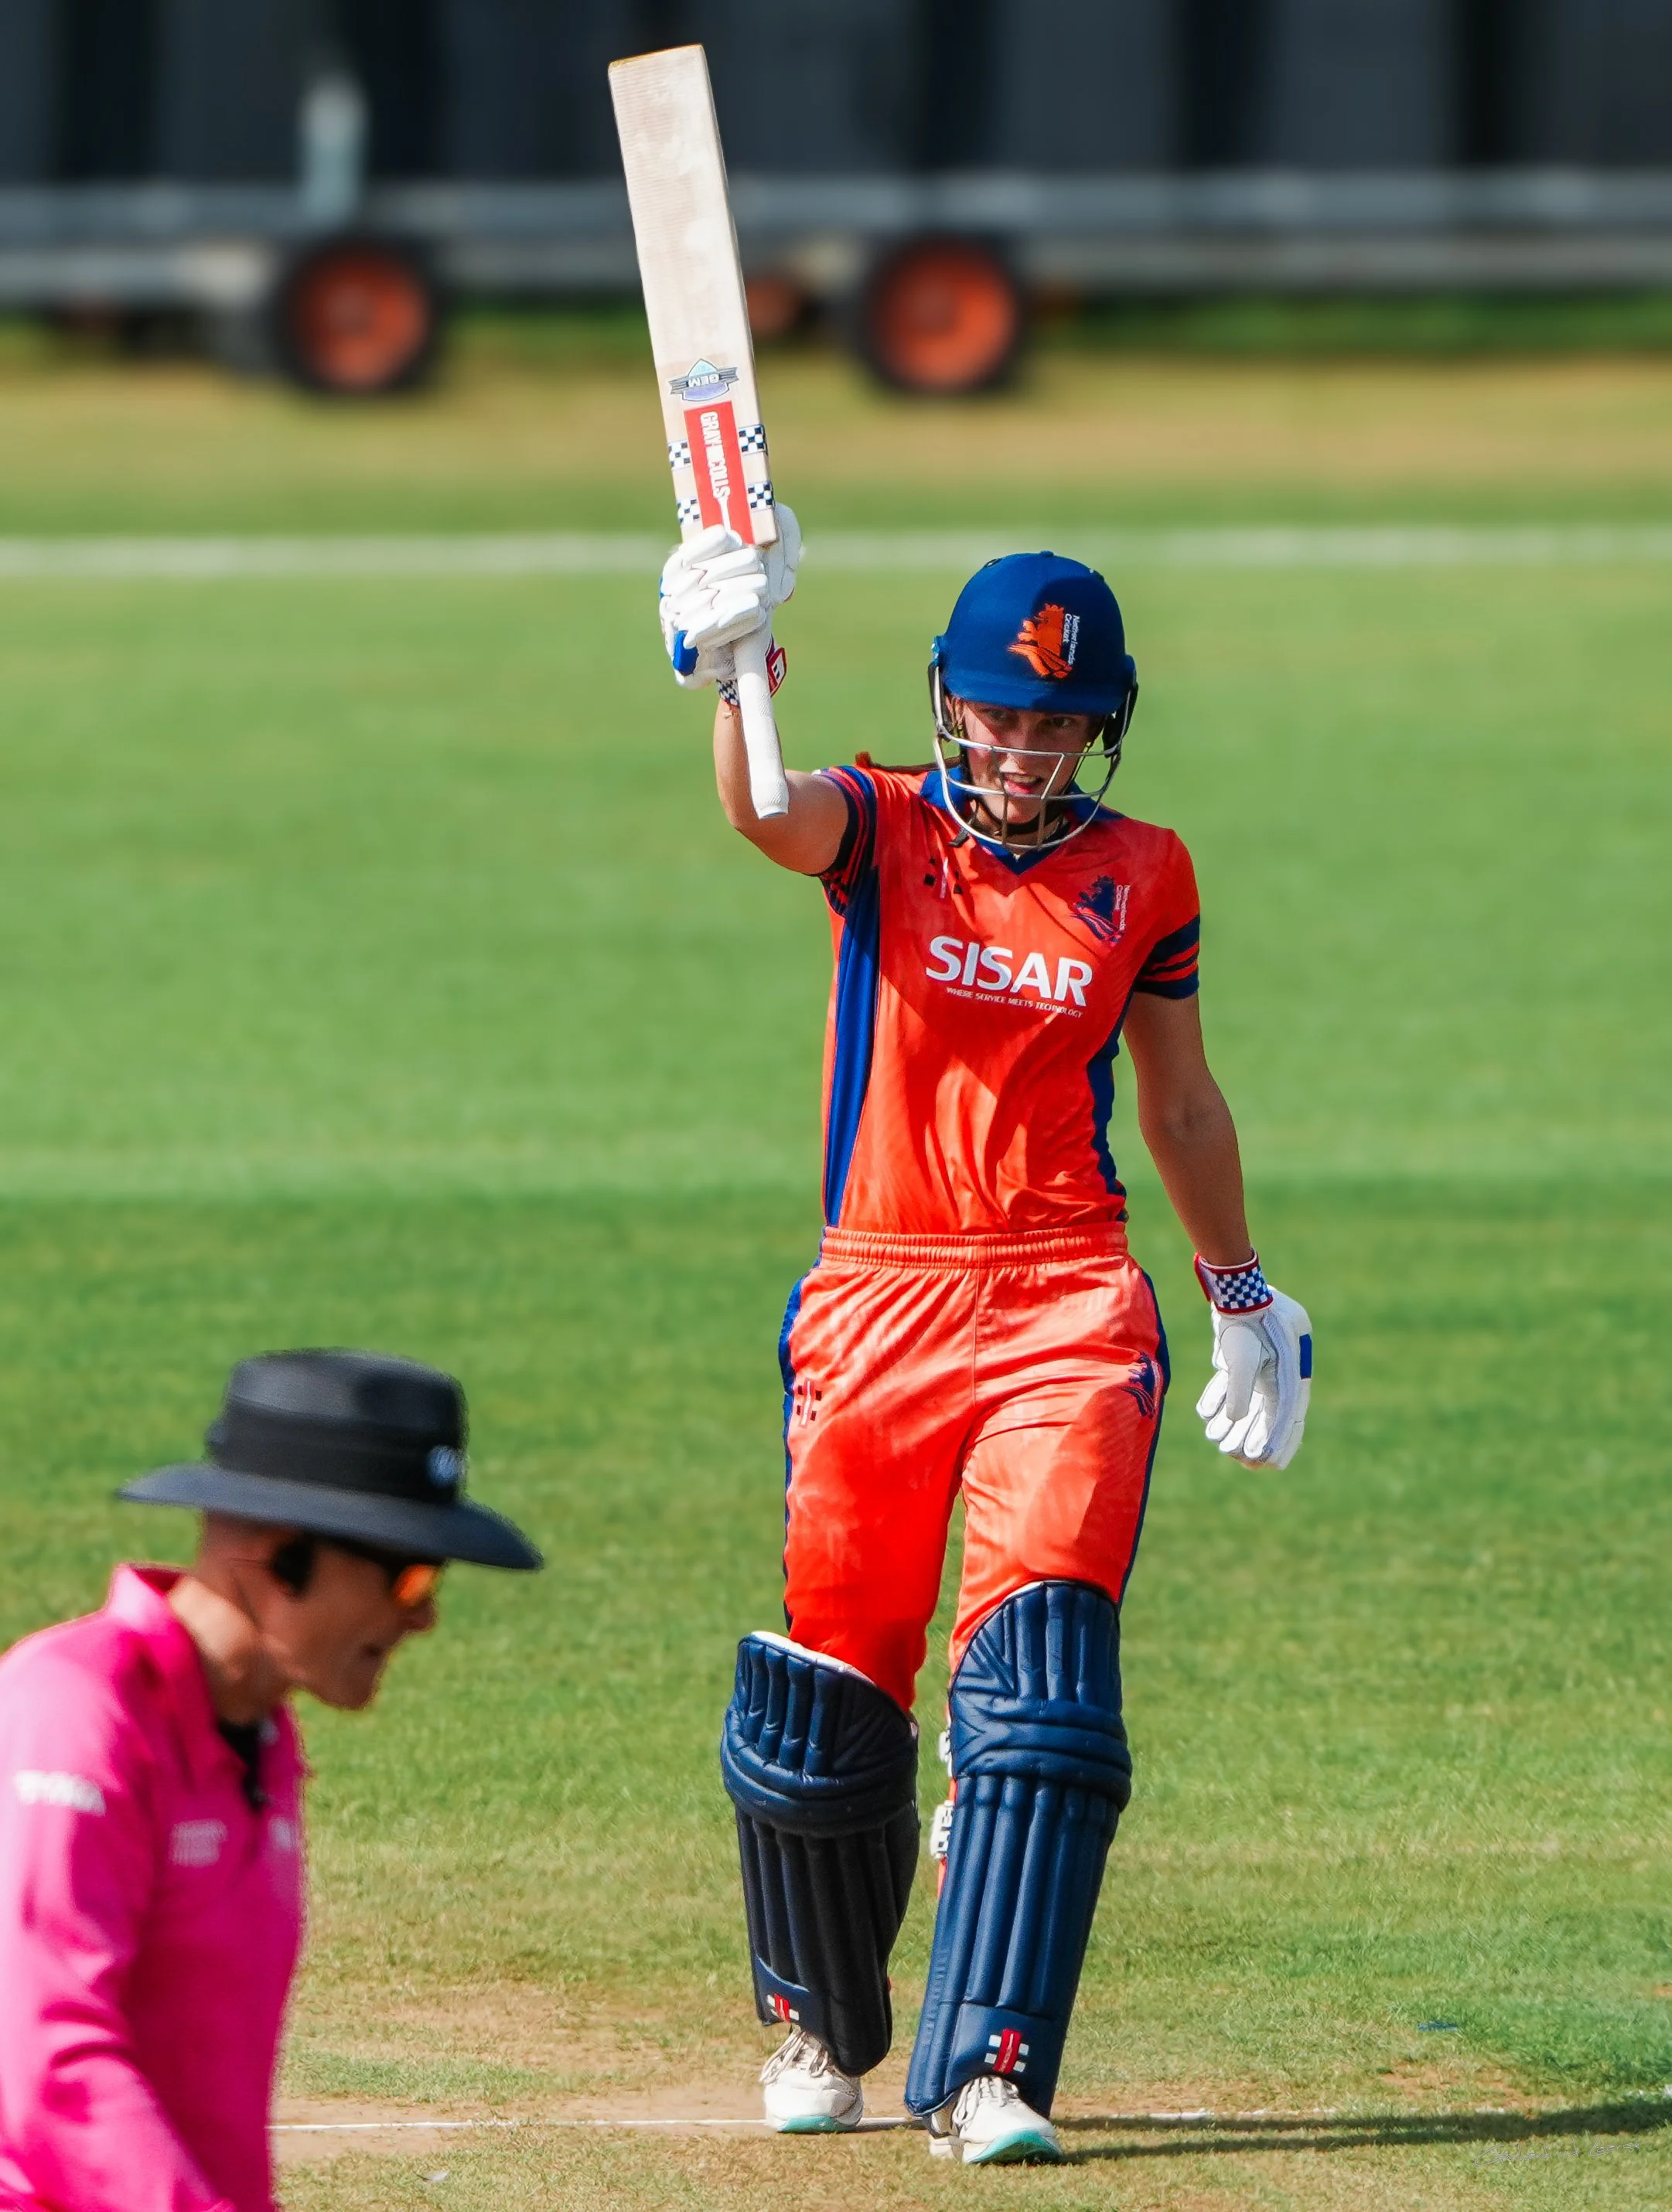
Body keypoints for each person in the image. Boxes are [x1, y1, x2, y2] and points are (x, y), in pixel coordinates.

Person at [659, 518, 1312, 2164]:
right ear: (949, 708)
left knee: (1038, 1700)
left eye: (1055, 726)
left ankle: (992, 2067)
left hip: (1063, 1296)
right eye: (998, 721)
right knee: (839, 1689)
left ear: (1099, 727)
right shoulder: (876, 822)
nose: (1024, 754)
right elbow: (758, 807)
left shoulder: (1144, 869)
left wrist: (1237, 1288)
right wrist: (722, 668)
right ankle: (822, 2015)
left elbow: (1175, 1096)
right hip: (873, 1294)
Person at [0, 1348, 541, 2212]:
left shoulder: (261, 1734)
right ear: (277, 1553)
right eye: (409, 1574)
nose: (425, 1614)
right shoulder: (74, 1709)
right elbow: (48, 2058)